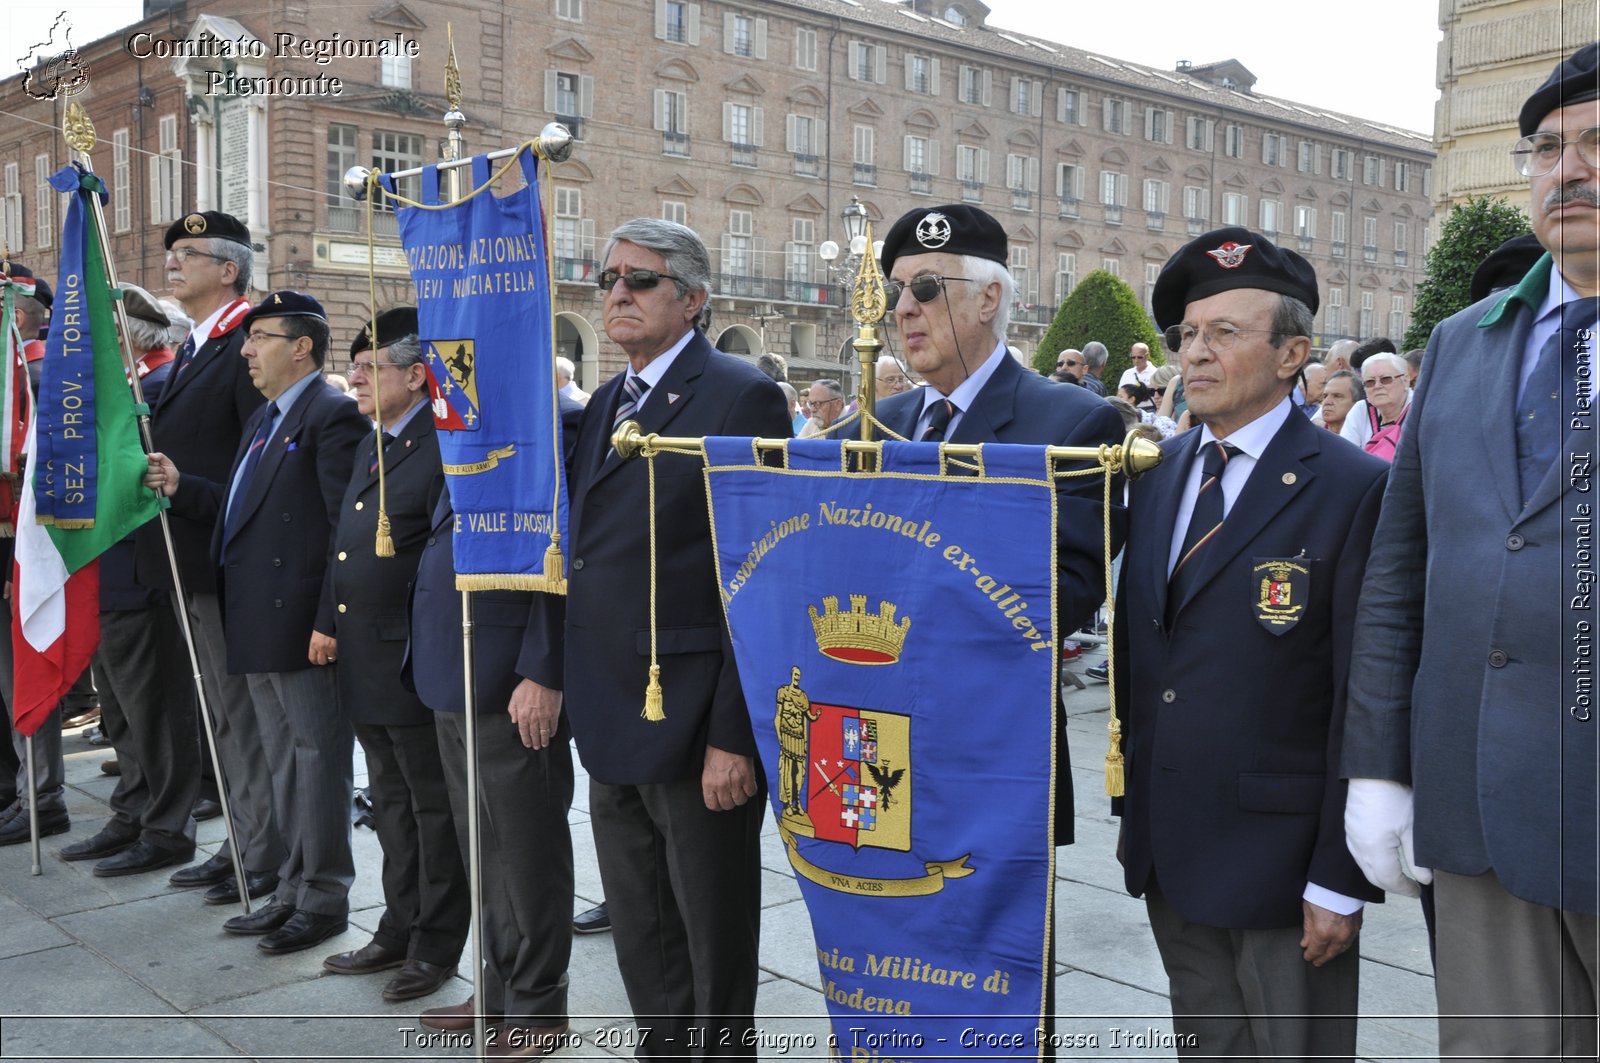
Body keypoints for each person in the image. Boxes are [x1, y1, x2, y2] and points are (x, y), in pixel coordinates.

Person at [1343, 43, 1600, 1061]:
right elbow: (1398, 569)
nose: (1566, 170)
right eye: (1546, 147)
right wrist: (1379, 768)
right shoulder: (1460, 340)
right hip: (1481, 808)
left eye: (1596, 146)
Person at [1116, 226, 1388, 1059]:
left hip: (1282, 866)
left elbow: (1364, 690)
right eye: (1188, 334)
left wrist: (1340, 872)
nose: (1195, 354)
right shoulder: (1158, 470)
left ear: (1291, 354)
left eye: (1224, 333)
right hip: (1172, 847)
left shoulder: (1355, 487)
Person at [523, 217, 791, 1058]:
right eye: (608, 279)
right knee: (638, 909)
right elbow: (576, 546)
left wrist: (732, 735)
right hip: (609, 699)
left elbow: (758, 574)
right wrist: (548, 667)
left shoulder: (742, 394)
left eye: (638, 280)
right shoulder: (608, 398)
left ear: (693, 297)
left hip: (689, 708)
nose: (616, 294)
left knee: (708, 915)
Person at [145, 290, 368, 955]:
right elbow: (245, 507)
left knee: (317, 761)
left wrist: (329, 619)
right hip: (259, 622)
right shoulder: (267, 418)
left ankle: (323, 895)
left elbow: (341, 531)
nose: (245, 349)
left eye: (259, 336)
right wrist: (185, 486)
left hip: (302, 628)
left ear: (301, 346)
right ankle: (292, 886)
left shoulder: (330, 416)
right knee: (282, 762)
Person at [409, 393, 584, 1049]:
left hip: (509, 675)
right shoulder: (467, 422)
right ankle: (500, 985)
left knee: (526, 849)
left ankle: (539, 1006)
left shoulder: (550, 420)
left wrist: (544, 669)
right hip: (453, 668)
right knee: (482, 849)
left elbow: (560, 547)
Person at [318, 308, 467, 1003]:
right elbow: (342, 541)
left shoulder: (440, 446)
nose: (355, 374)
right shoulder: (373, 442)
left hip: (411, 659)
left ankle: (436, 941)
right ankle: (398, 924)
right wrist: (328, 620)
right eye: (355, 365)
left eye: (371, 365)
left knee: (428, 808)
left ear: (416, 374)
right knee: (391, 804)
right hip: (364, 654)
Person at [134, 212, 279, 903]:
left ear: (230, 269)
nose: (172, 262)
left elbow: (266, 467)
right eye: (172, 253)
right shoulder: (198, 347)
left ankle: (258, 851)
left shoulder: (247, 346)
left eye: (188, 253)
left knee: (242, 719)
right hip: (189, 556)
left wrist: (187, 489)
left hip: (226, 559)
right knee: (221, 715)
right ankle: (240, 841)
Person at [56, 285, 202, 875]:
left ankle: (166, 825)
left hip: (140, 573)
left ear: (126, 337)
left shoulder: (155, 390)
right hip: (109, 570)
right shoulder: (129, 388)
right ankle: (133, 809)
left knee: (154, 709)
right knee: (119, 706)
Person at [1355, 351, 1412, 461]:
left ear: (1405, 381)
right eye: (1370, 382)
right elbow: (1347, 456)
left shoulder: (1421, 410)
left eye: (1385, 379)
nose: (1377, 386)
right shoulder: (1361, 409)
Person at [1315, 370, 1364, 435]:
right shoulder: (1309, 437)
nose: (1327, 402)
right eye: (1325, 396)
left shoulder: (1368, 441)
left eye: (1337, 396)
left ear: (1356, 403)